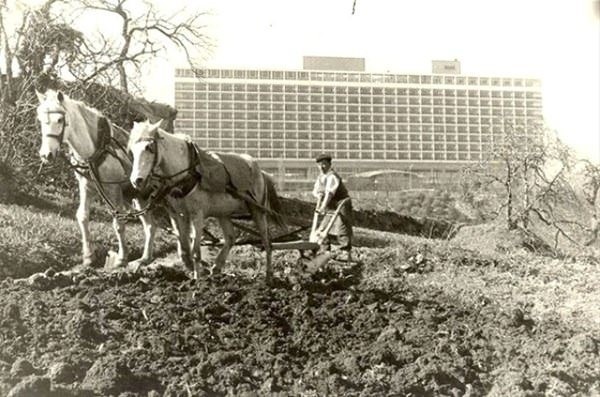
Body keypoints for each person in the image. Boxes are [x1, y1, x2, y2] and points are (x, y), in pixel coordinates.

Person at [312, 153, 353, 260]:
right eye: (319, 165)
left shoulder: (332, 176)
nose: (321, 167)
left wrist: (322, 207)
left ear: (329, 164)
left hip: (341, 203)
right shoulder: (321, 177)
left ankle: (345, 252)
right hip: (331, 205)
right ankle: (324, 251)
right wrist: (318, 195)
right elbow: (316, 192)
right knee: (323, 228)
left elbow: (329, 194)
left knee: (342, 228)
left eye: (324, 164)